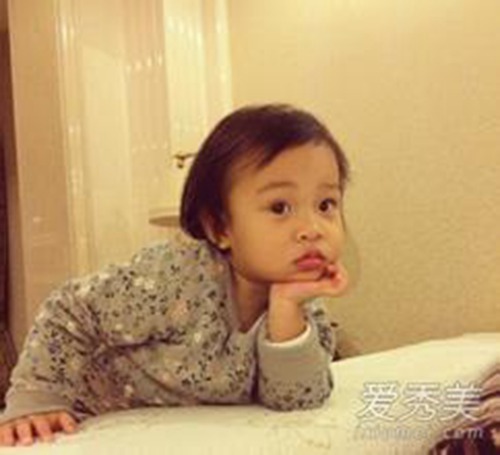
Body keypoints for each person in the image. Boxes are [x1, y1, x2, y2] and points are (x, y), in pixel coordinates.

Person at [0, 104, 351, 446]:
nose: (312, 228)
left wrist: (287, 307)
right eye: (280, 207)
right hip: (88, 417)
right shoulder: (175, 278)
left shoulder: (303, 304)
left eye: (326, 204)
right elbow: (72, 309)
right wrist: (38, 396)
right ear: (219, 227)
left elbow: (296, 400)